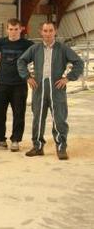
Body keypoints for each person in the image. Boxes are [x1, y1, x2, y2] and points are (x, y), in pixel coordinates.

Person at [18, 21, 83, 160]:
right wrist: (27, 77)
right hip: (39, 88)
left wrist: (68, 78)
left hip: (57, 88)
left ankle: (61, 148)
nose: (48, 34)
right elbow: (21, 61)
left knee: (59, 118)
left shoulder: (63, 48)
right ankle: (37, 146)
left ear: (55, 32)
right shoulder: (35, 49)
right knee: (38, 118)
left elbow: (79, 63)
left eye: (50, 31)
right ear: (41, 32)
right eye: (45, 31)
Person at [0, 19, 34, 152]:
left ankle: (15, 140)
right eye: (10, 29)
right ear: (7, 29)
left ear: (21, 29)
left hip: (19, 84)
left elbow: (36, 57)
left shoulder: (28, 44)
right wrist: (0, 59)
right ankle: (0, 140)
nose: (13, 32)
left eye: (16, 29)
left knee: (18, 113)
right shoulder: (2, 42)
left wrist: (30, 74)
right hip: (2, 82)